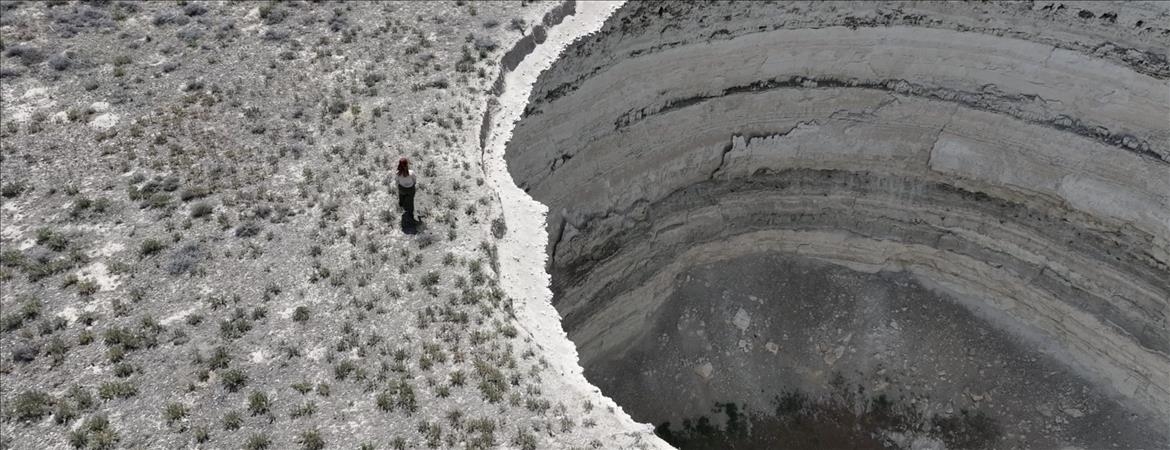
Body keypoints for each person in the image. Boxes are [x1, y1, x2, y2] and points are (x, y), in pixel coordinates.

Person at [396, 157, 417, 222]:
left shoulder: (397, 173)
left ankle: (401, 205)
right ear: (407, 165)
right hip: (410, 189)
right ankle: (410, 213)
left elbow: (397, 181)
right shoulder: (411, 173)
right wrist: (413, 184)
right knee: (410, 201)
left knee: (401, 197)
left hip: (402, 189)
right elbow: (414, 180)